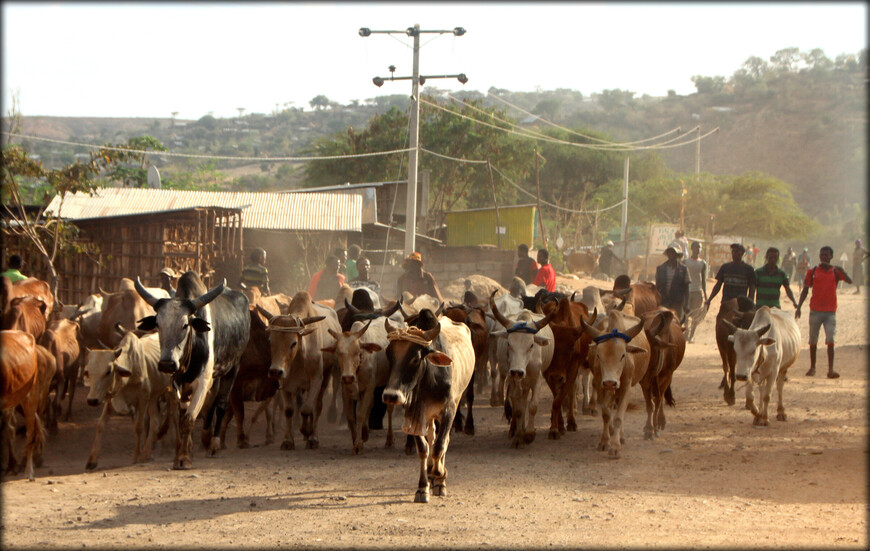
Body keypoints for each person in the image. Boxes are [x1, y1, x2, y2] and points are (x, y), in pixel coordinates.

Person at [795, 246, 852, 378]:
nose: (825, 257)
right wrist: (799, 307)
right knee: (813, 340)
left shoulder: (836, 271)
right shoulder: (812, 271)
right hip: (815, 311)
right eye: (822, 255)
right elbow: (805, 290)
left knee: (831, 339)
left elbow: (849, 281)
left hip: (830, 312)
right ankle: (812, 368)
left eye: (827, 255)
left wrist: (843, 271)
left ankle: (830, 370)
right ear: (819, 256)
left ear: (831, 257)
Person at [705, 243, 756, 310]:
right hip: (726, 303)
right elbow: (718, 285)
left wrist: (749, 305)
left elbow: (752, 289)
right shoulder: (725, 267)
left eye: (737, 251)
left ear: (742, 253)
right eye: (733, 251)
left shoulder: (748, 269)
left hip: (740, 305)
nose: (734, 253)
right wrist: (709, 299)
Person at [655, 246, 690, 320]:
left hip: (677, 302)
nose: (671, 255)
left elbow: (686, 288)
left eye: (673, 253)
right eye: (669, 253)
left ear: (677, 255)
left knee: (676, 322)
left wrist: (686, 304)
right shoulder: (660, 269)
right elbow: (657, 286)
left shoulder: (683, 269)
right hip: (664, 301)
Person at [683, 241, 708, 343]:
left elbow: (703, 280)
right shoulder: (685, 262)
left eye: (700, 247)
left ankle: (691, 336)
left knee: (696, 315)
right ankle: (686, 333)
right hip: (687, 291)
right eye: (697, 247)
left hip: (697, 291)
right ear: (692, 248)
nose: (698, 249)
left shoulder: (703, 263)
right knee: (685, 314)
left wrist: (705, 294)